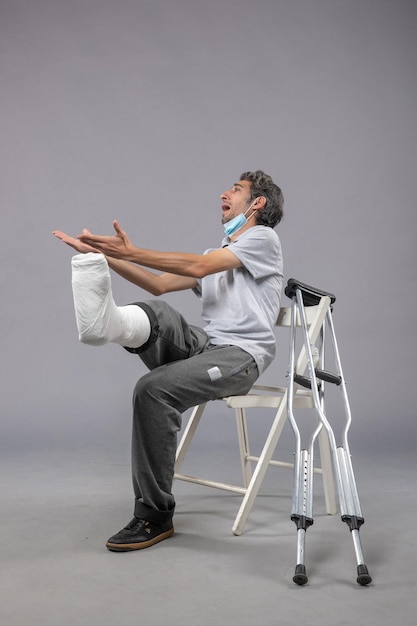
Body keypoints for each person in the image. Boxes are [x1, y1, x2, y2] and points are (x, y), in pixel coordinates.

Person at [53, 170, 284, 552]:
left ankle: (154, 515)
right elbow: (158, 283)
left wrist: (128, 250)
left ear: (257, 203)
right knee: (158, 311)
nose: (224, 193)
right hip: (207, 345)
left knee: (152, 390)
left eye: (236, 189)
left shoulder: (263, 239)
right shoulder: (217, 256)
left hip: (240, 356)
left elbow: (194, 268)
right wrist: (104, 256)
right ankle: (113, 324)